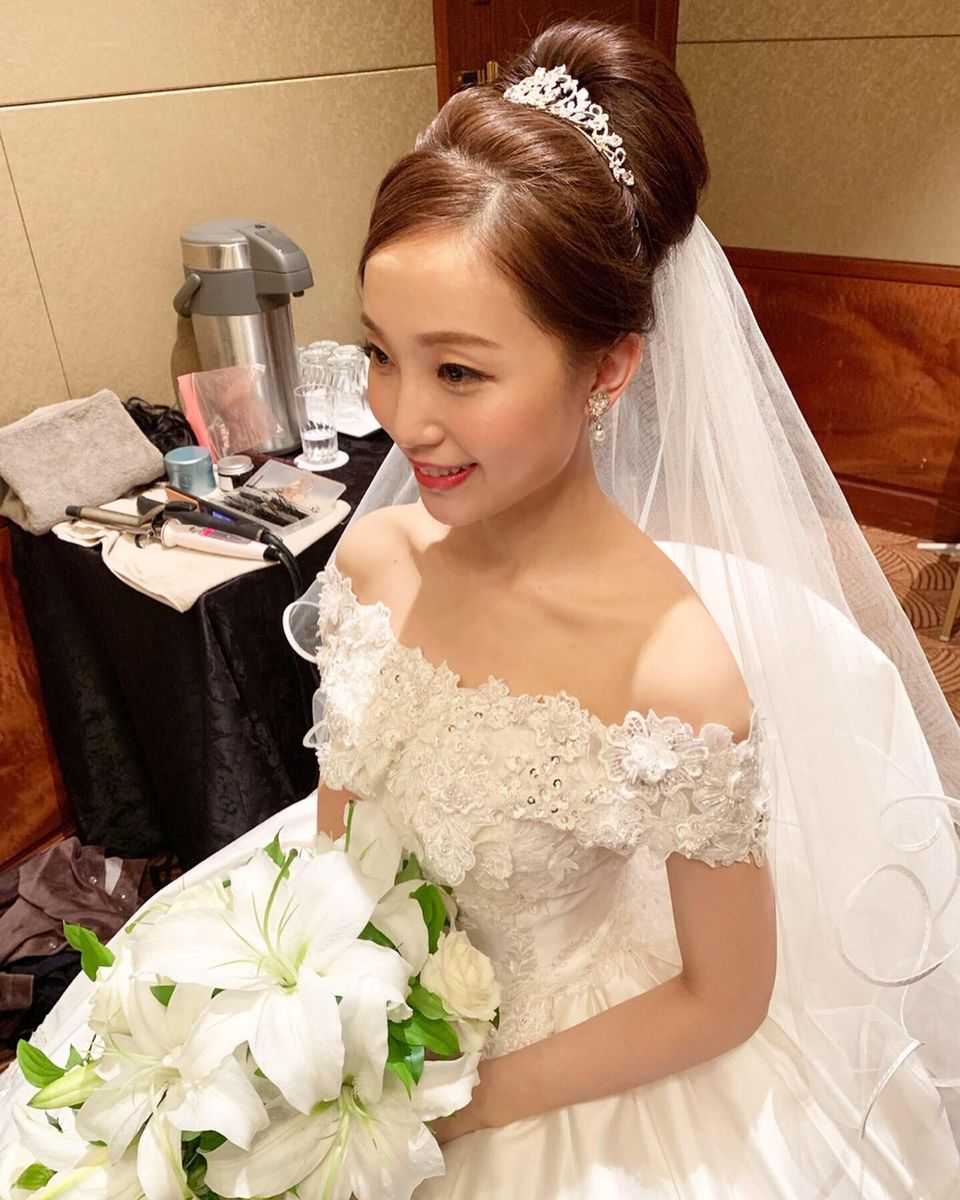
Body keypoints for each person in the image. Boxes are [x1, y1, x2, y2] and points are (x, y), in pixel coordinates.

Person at [2, 19, 958, 1199]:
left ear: (609, 369)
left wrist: (450, 1105)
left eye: (459, 370)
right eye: (382, 353)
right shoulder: (377, 559)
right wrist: (308, 1022)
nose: (403, 418)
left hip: (563, 1072)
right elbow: (343, 832)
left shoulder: (675, 673)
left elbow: (725, 998)